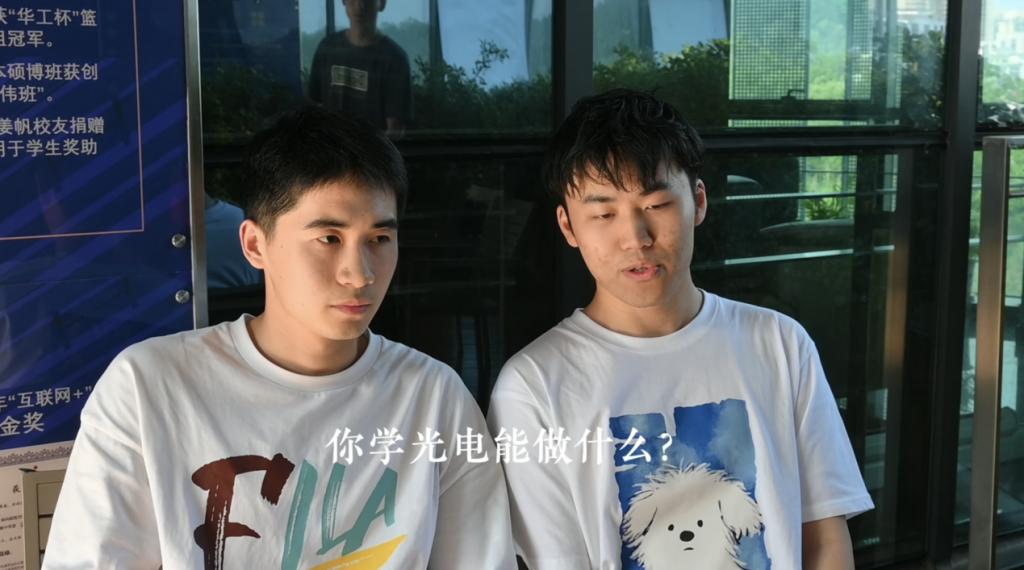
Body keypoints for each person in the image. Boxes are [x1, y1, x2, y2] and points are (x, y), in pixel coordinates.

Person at [44, 107, 515, 569]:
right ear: (255, 244)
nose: (360, 274)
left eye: (379, 239)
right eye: (329, 239)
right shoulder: (149, 388)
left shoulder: (434, 398)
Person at [487, 89, 873, 570]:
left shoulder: (779, 343)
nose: (636, 238)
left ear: (698, 201)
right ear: (568, 226)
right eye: (604, 214)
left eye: (656, 204)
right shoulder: (533, 386)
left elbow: (825, 537)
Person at [309, 0, 411, 138]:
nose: (359, 6)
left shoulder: (394, 59)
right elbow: (314, 108)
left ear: (382, 3)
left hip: (370, 150)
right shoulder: (327, 48)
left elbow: (395, 130)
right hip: (331, 147)